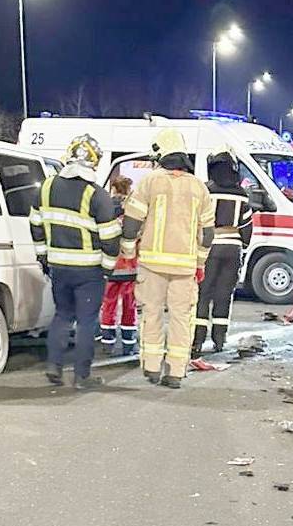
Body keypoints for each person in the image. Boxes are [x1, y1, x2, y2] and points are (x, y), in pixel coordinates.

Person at [121, 128, 215, 389]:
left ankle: (151, 367)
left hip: (152, 265)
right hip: (185, 268)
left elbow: (131, 222)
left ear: (160, 152)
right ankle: (175, 371)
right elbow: (207, 234)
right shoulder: (199, 188)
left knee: (151, 314)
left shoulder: (150, 182)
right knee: (180, 319)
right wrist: (200, 263)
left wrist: (129, 250)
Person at [29, 133, 120, 390]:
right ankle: (82, 376)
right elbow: (111, 238)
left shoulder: (46, 187)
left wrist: (43, 256)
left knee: (62, 315)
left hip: (58, 267)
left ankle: (54, 366)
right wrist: (108, 268)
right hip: (88, 271)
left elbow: (35, 225)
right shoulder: (96, 195)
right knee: (87, 322)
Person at [192, 147, 253, 357]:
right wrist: (242, 245)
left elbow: (197, 221)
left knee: (203, 293)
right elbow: (247, 227)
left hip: (209, 248)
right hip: (233, 248)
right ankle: (219, 339)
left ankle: (197, 340)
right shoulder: (242, 195)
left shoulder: (206, 190)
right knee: (224, 295)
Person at [99, 176, 139, 355]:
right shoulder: (133, 211)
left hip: (110, 266)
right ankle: (128, 344)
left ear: (113, 189)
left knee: (109, 304)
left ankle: (108, 342)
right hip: (130, 267)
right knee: (130, 305)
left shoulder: (105, 209)